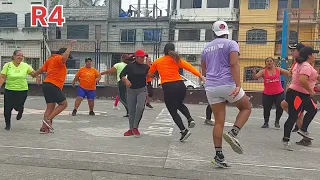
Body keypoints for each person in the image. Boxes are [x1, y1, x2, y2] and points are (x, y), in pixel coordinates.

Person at [201, 21, 251, 168]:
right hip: (228, 84)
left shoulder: (206, 48)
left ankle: (219, 156)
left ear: (213, 32)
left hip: (211, 86)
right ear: (227, 32)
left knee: (218, 122)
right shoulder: (231, 44)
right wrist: (238, 84)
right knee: (246, 107)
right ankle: (233, 133)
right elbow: (234, 64)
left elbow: (204, 68)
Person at [148, 43, 205, 142]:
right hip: (180, 85)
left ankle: (184, 131)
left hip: (169, 87)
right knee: (179, 104)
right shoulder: (176, 59)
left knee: (172, 110)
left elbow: (150, 73)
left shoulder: (158, 61)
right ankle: (189, 118)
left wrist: (150, 78)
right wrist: (200, 76)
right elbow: (189, 67)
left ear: (164, 51)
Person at [33, 40, 76, 133]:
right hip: (53, 85)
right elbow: (64, 58)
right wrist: (70, 46)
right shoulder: (59, 58)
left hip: (47, 85)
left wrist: (34, 75)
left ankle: (44, 128)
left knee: (50, 107)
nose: (67, 60)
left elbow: (41, 70)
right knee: (64, 104)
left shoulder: (50, 60)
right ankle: (48, 119)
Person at [282, 46, 319, 151]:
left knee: (312, 109)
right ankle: (286, 139)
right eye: (313, 54)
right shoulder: (306, 66)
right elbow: (302, 80)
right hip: (297, 94)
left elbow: (312, 76)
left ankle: (303, 129)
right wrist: (311, 90)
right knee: (293, 116)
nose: (314, 56)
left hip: (301, 94)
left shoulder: (301, 64)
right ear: (309, 55)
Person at [0, 50, 40, 130]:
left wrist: (37, 77)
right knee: (7, 108)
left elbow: (33, 73)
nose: (20, 57)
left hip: (22, 90)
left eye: (22, 56)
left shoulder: (25, 66)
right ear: (14, 56)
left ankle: (20, 110)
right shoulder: (7, 65)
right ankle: (8, 124)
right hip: (9, 90)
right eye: (18, 55)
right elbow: (2, 77)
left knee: (17, 106)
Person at [252, 57, 291, 129]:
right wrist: (254, 73)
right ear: (265, 63)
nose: (269, 62)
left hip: (279, 93)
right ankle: (266, 123)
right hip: (267, 94)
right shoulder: (263, 71)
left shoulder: (278, 69)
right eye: (267, 61)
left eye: (270, 61)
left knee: (280, 108)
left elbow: (288, 73)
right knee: (267, 109)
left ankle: (277, 122)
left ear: (273, 62)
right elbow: (255, 77)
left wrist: (293, 69)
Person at [120, 50, 149, 137]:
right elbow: (121, 75)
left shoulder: (145, 67)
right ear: (136, 57)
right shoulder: (130, 66)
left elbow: (152, 73)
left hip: (142, 90)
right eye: (141, 57)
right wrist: (125, 80)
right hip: (131, 90)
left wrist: (152, 75)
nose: (143, 59)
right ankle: (131, 129)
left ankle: (135, 127)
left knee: (140, 107)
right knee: (132, 110)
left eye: (144, 57)